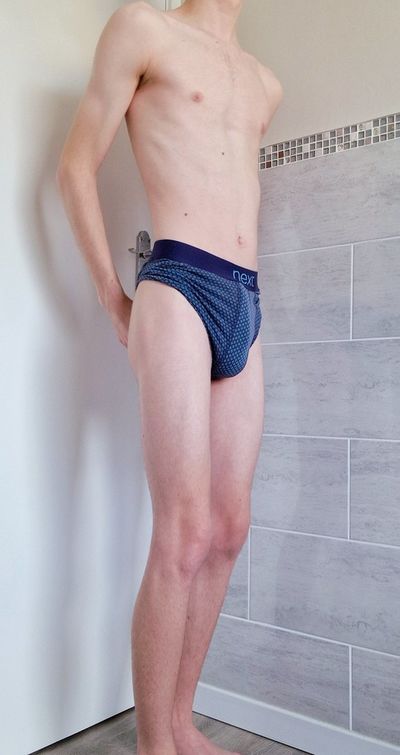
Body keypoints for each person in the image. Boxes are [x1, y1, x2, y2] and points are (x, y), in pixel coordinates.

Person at [56, 1, 283, 753]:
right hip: (179, 281)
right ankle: (156, 744)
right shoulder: (144, 28)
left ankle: (180, 719)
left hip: (246, 297)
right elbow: (74, 166)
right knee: (182, 530)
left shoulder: (264, 83)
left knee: (229, 527)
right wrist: (113, 300)